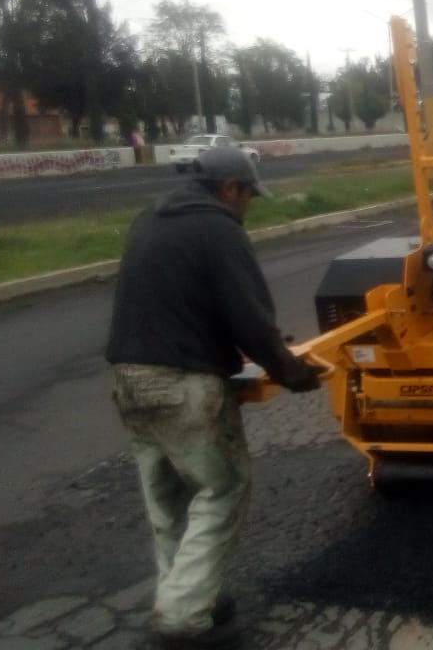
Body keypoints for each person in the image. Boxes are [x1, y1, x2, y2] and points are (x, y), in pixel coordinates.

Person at [106, 147, 324, 648]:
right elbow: (247, 316)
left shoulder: (150, 220)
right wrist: (289, 369)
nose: (248, 205)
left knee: (167, 496)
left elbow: (176, 302)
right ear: (231, 188)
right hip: (183, 381)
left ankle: (185, 592)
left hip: (128, 377)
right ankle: (182, 618)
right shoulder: (218, 228)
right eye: (248, 195)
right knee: (223, 487)